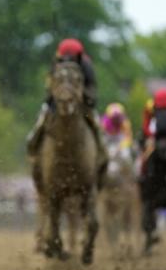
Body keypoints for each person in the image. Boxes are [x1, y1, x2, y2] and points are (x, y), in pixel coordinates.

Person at [26, 38, 107, 184]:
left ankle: (102, 152)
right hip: (56, 103)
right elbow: (49, 87)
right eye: (64, 58)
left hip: (82, 105)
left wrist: (81, 96)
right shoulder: (55, 64)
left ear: (79, 57)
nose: (67, 61)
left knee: (96, 123)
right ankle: (33, 148)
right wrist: (56, 98)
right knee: (41, 119)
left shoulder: (87, 66)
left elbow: (93, 89)